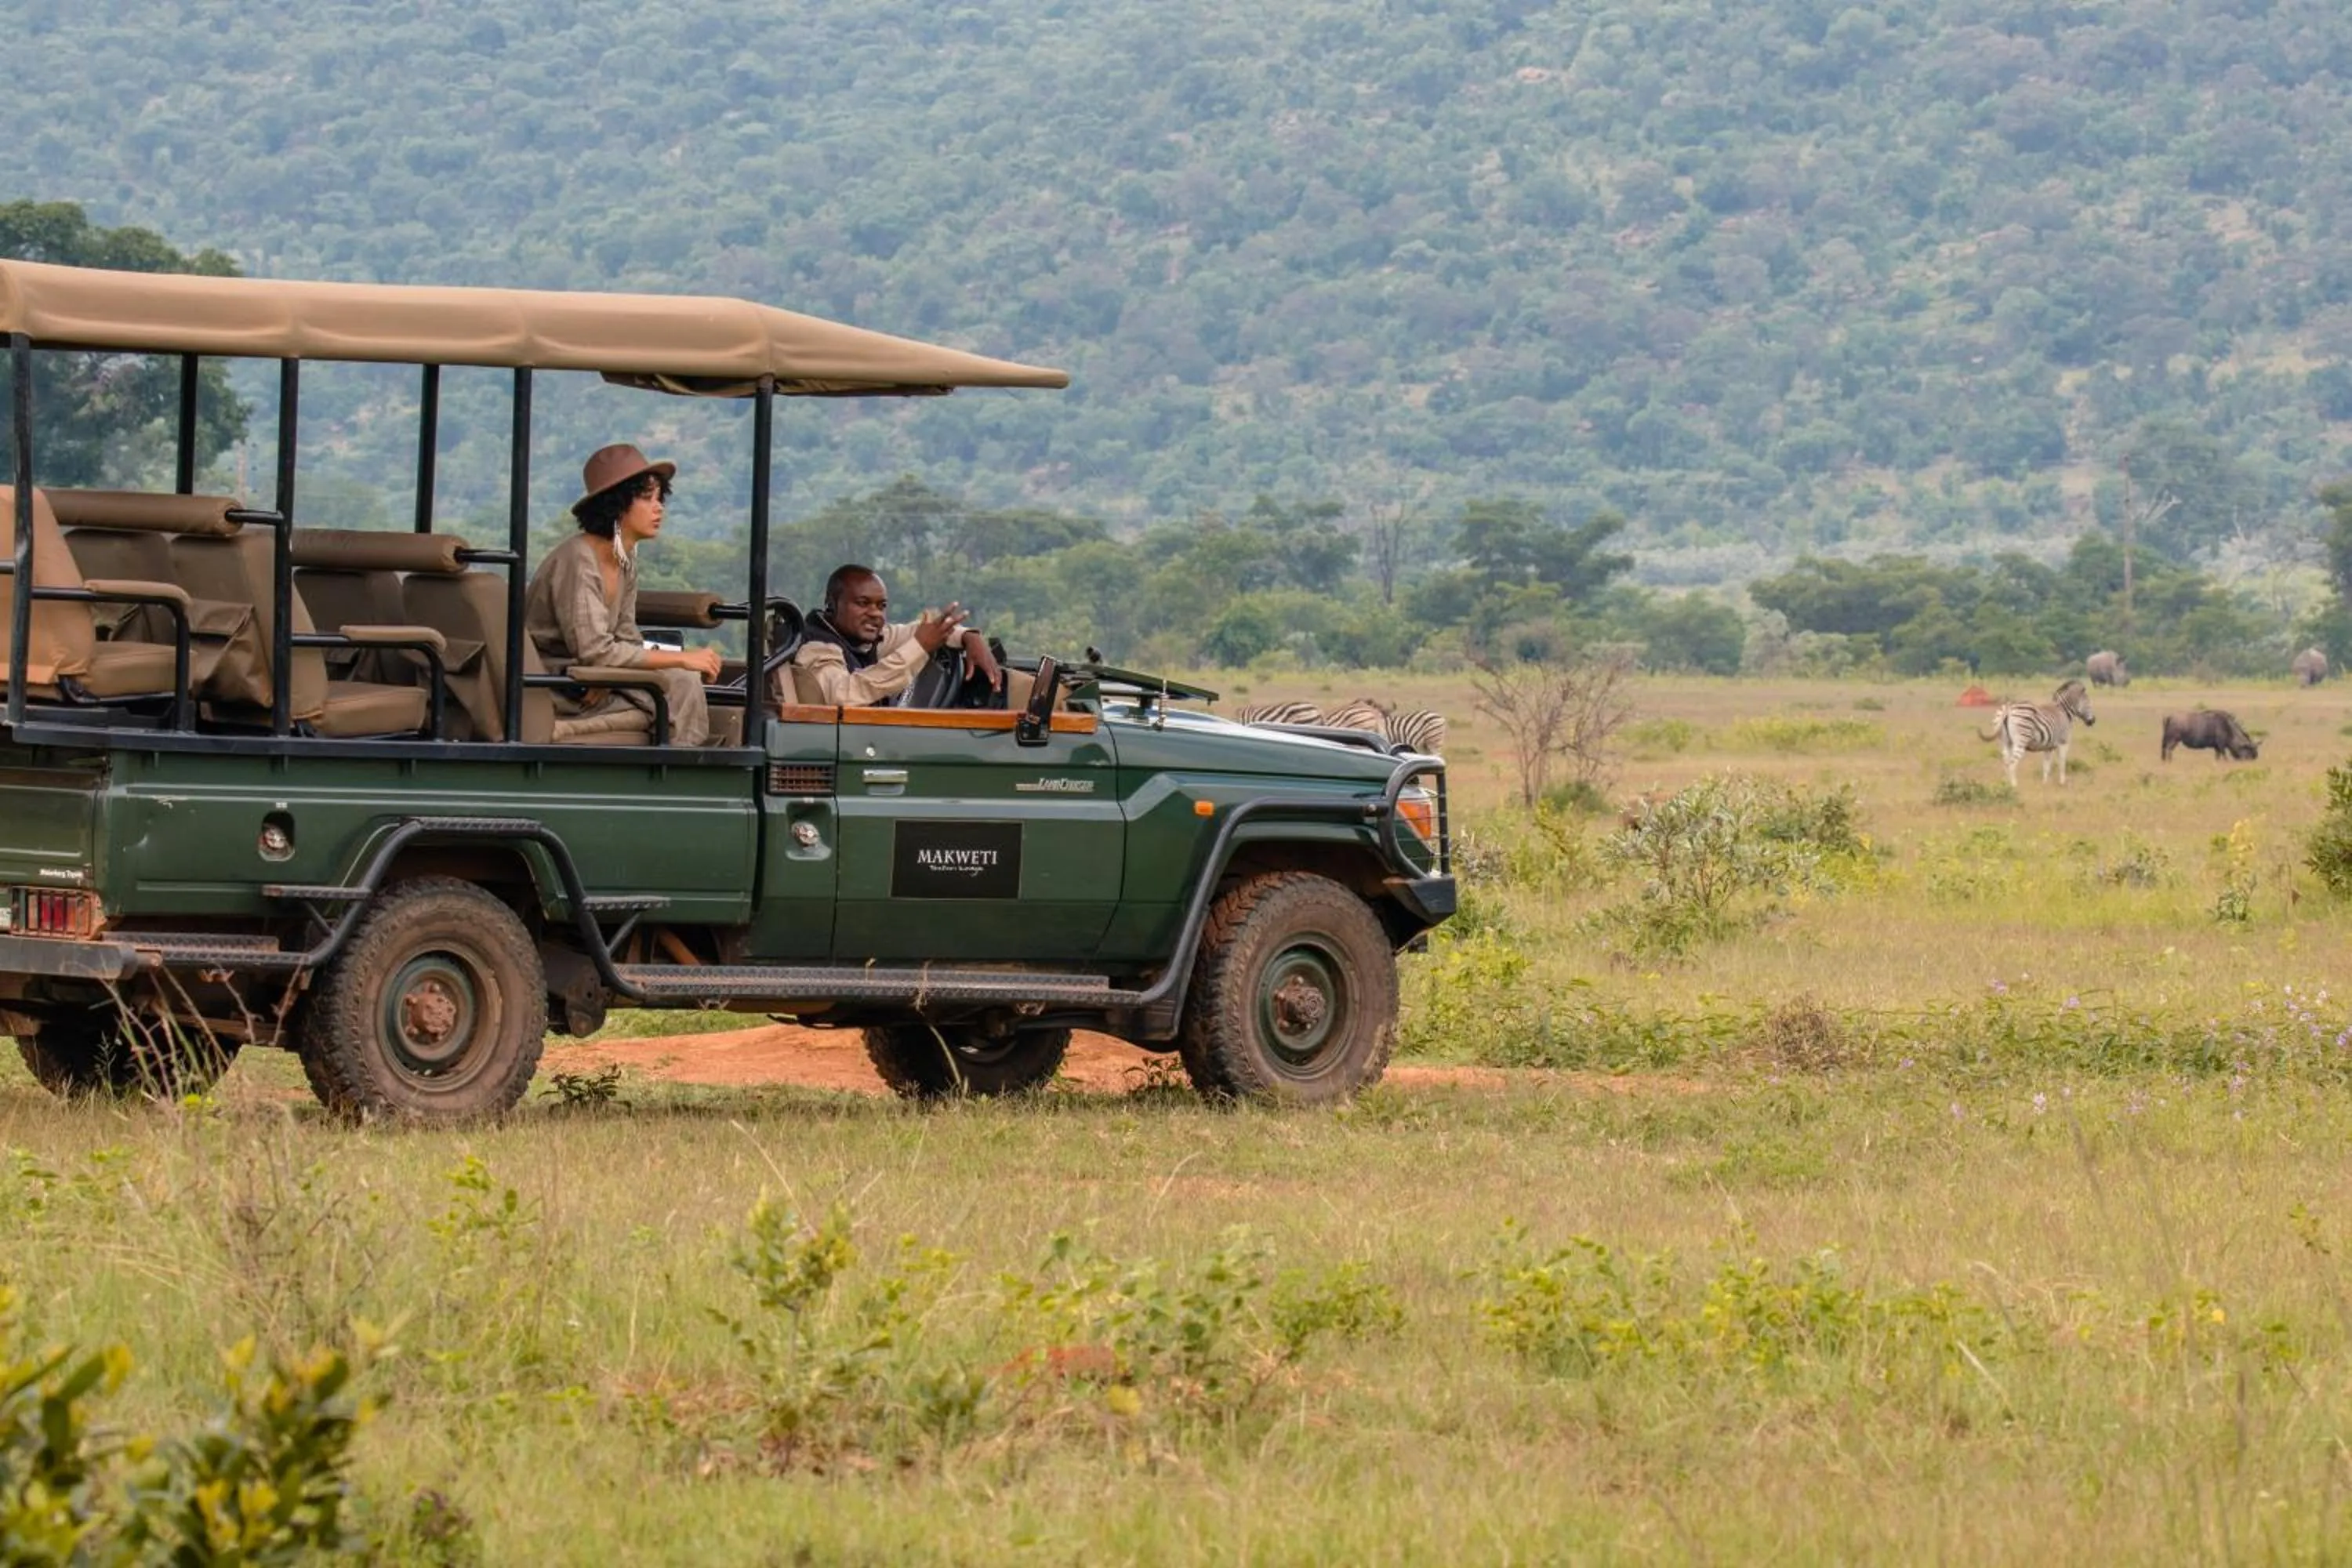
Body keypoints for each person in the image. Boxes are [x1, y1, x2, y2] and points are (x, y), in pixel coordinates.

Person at [523, 443, 720, 745]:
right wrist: (681, 659)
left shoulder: (624, 560)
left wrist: (618, 674)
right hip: (560, 682)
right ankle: (679, 772)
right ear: (616, 505)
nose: (658, 508)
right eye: (646, 498)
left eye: (659, 498)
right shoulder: (579, 559)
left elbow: (626, 637)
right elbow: (594, 651)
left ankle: (673, 760)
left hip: (595, 677)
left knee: (679, 683)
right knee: (680, 683)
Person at [789, 563, 1003, 706]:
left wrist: (970, 637)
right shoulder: (817, 647)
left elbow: (915, 631)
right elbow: (844, 694)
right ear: (832, 603)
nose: (875, 614)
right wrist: (919, 648)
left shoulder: (860, 639)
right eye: (863, 604)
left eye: (881, 606)